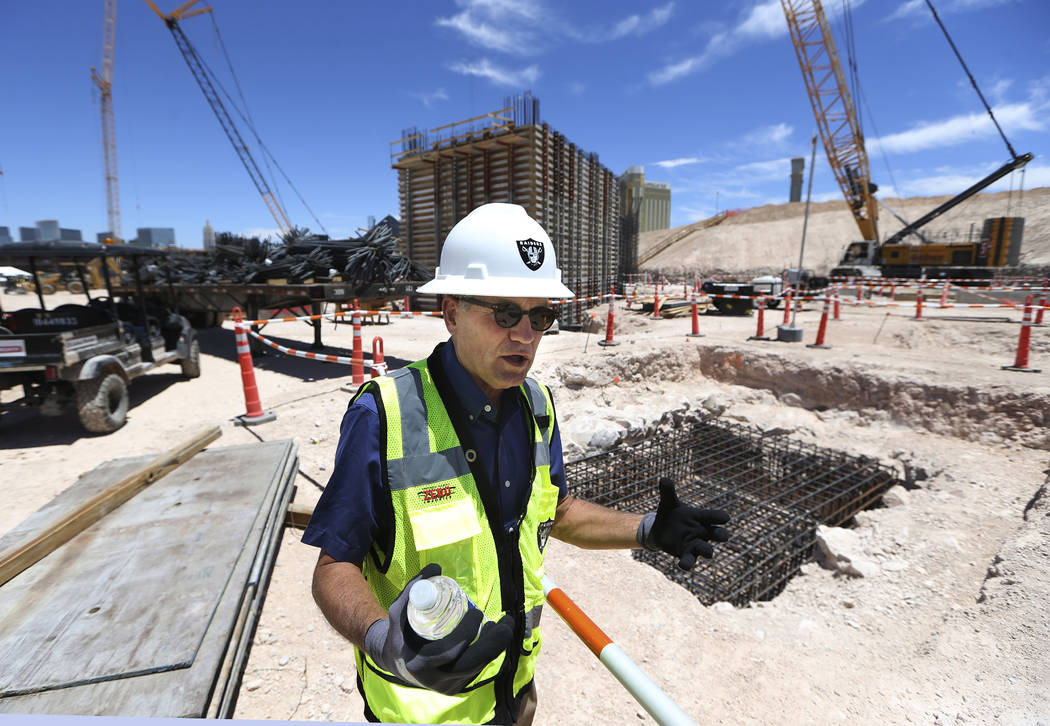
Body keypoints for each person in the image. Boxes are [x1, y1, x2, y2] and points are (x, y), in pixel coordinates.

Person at [303, 203, 730, 725]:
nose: (525, 335)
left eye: (540, 316)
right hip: (423, 711)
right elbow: (334, 567)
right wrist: (385, 643)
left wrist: (645, 529)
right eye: (505, 313)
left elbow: (556, 510)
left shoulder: (538, 405)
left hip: (514, 695)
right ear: (452, 310)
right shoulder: (384, 415)